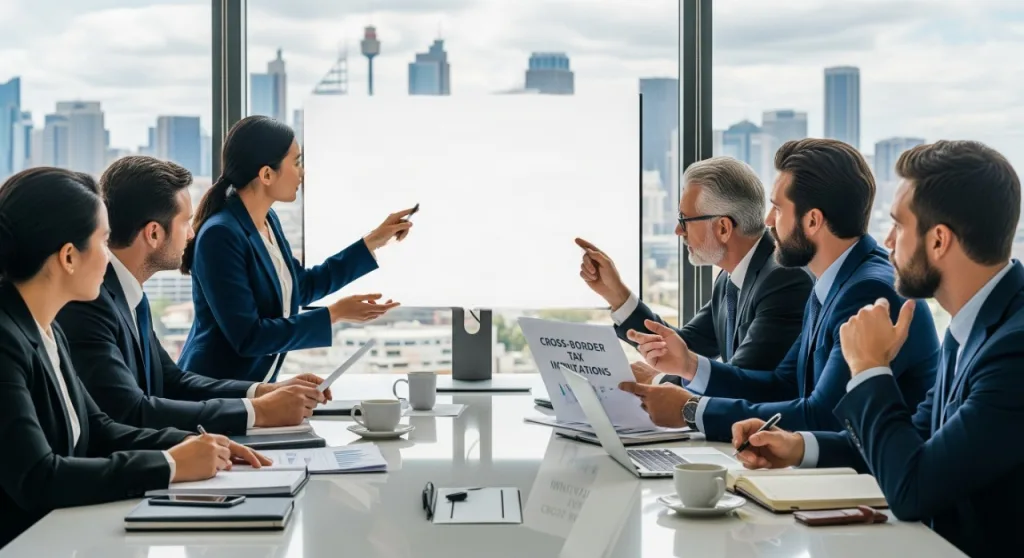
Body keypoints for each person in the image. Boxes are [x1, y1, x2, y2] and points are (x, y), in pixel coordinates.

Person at [731, 140, 1023, 558]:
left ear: (939, 240)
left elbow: (913, 488)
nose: (887, 240)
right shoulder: (973, 325)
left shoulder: (1014, 349)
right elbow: (915, 442)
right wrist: (798, 446)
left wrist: (869, 368)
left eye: (900, 226)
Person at [0, 168, 270, 547]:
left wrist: (201, 445)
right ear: (68, 257)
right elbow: (38, 477)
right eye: (103, 241)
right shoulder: (6, 340)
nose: (109, 256)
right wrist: (171, 465)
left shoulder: (47, 328)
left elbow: (100, 430)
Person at [619, 139, 938, 441]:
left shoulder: (867, 292)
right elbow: (783, 386)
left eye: (778, 209)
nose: (768, 220)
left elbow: (823, 416)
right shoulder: (832, 281)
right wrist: (689, 365)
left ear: (812, 221)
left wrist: (692, 411)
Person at [57, 156, 332, 435]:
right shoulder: (91, 303)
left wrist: (262, 392)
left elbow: (171, 380)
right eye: (185, 222)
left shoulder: (128, 292)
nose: (191, 234)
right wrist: (257, 412)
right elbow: (128, 411)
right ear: (153, 233)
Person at [178, 116, 415, 383]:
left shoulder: (268, 221)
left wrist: (373, 240)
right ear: (267, 174)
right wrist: (334, 314)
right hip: (211, 393)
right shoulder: (220, 235)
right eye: (296, 162)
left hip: (249, 391)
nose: (302, 172)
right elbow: (249, 337)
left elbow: (299, 286)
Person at [578, 157, 812, 381]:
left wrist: (658, 381)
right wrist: (616, 294)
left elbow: (743, 381)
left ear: (723, 228)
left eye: (684, 219)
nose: (678, 231)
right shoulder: (730, 280)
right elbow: (683, 346)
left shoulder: (783, 280)